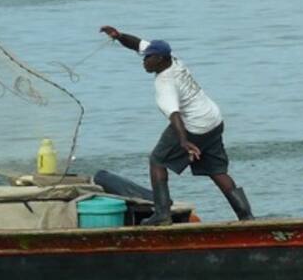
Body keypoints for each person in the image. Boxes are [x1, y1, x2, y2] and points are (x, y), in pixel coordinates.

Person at [99, 25, 252, 224]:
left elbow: (175, 114)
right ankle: (246, 216)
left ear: (160, 59)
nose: (144, 62)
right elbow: (137, 44)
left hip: (193, 126)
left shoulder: (165, 82)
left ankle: (162, 214)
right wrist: (119, 36)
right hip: (213, 120)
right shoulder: (173, 59)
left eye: (148, 59)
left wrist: (183, 141)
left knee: (157, 160)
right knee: (217, 171)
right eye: (144, 57)